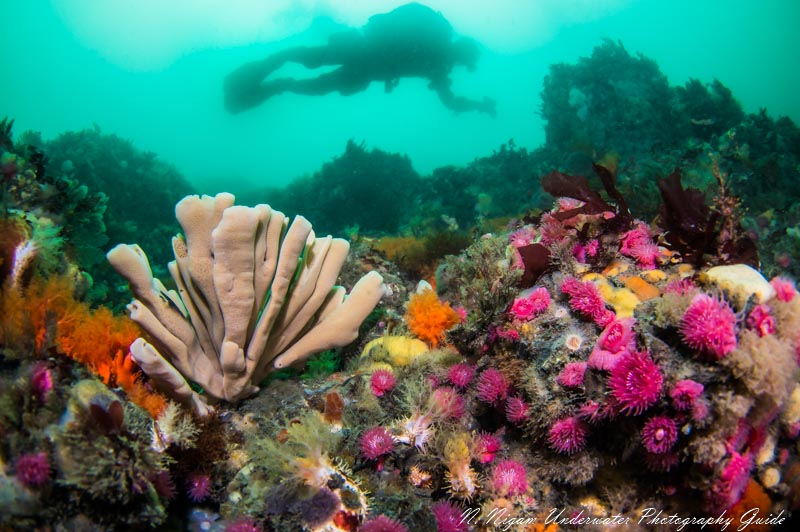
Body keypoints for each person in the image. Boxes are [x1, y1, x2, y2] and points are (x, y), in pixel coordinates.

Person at [223, 3, 496, 117]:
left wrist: (479, 107)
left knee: (312, 64)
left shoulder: (437, 61)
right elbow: (451, 103)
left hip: (362, 57)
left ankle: (272, 75)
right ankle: (275, 81)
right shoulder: (437, 57)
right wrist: (481, 107)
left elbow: (450, 102)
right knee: (316, 75)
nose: (461, 65)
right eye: (465, 60)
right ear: (460, 53)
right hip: (363, 58)